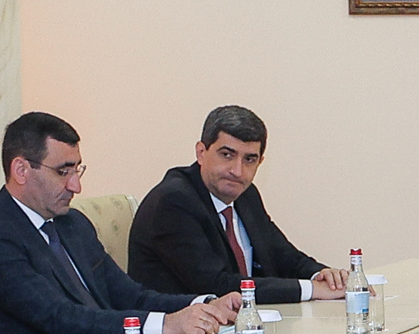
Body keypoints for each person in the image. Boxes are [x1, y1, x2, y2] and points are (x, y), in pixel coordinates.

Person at [0, 111, 235, 334]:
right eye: (62, 172)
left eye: (77, 170)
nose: (75, 186)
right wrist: (166, 324)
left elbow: (131, 296)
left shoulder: (72, 224)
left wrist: (206, 305)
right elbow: (61, 317)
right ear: (21, 170)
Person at [128, 104, 345, 305]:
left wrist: (323, 276)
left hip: (238, 324)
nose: (237, 171)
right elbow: (218, 285)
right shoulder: (173, 202)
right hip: (179, 328)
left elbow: (283, 256)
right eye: (227, 155)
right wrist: (311, 289)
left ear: (260, 161)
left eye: (249, 159)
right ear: (201, 153)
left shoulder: (245, 195)